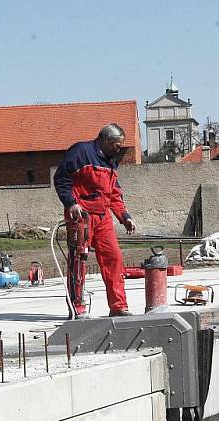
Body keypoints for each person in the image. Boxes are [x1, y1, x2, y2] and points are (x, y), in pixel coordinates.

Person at [54, 124, 137, 319]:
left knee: (114, 258)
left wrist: (124, 217)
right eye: (116, 145)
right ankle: (77, 307)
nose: (119, 149)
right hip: (81, 215)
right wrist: (71, 203)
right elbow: (61, 179)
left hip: (103, 217)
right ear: (105, 140)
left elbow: (113, 193)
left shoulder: (110, 162)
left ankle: (118, 306)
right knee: (78, 260)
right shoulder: (81, 152)